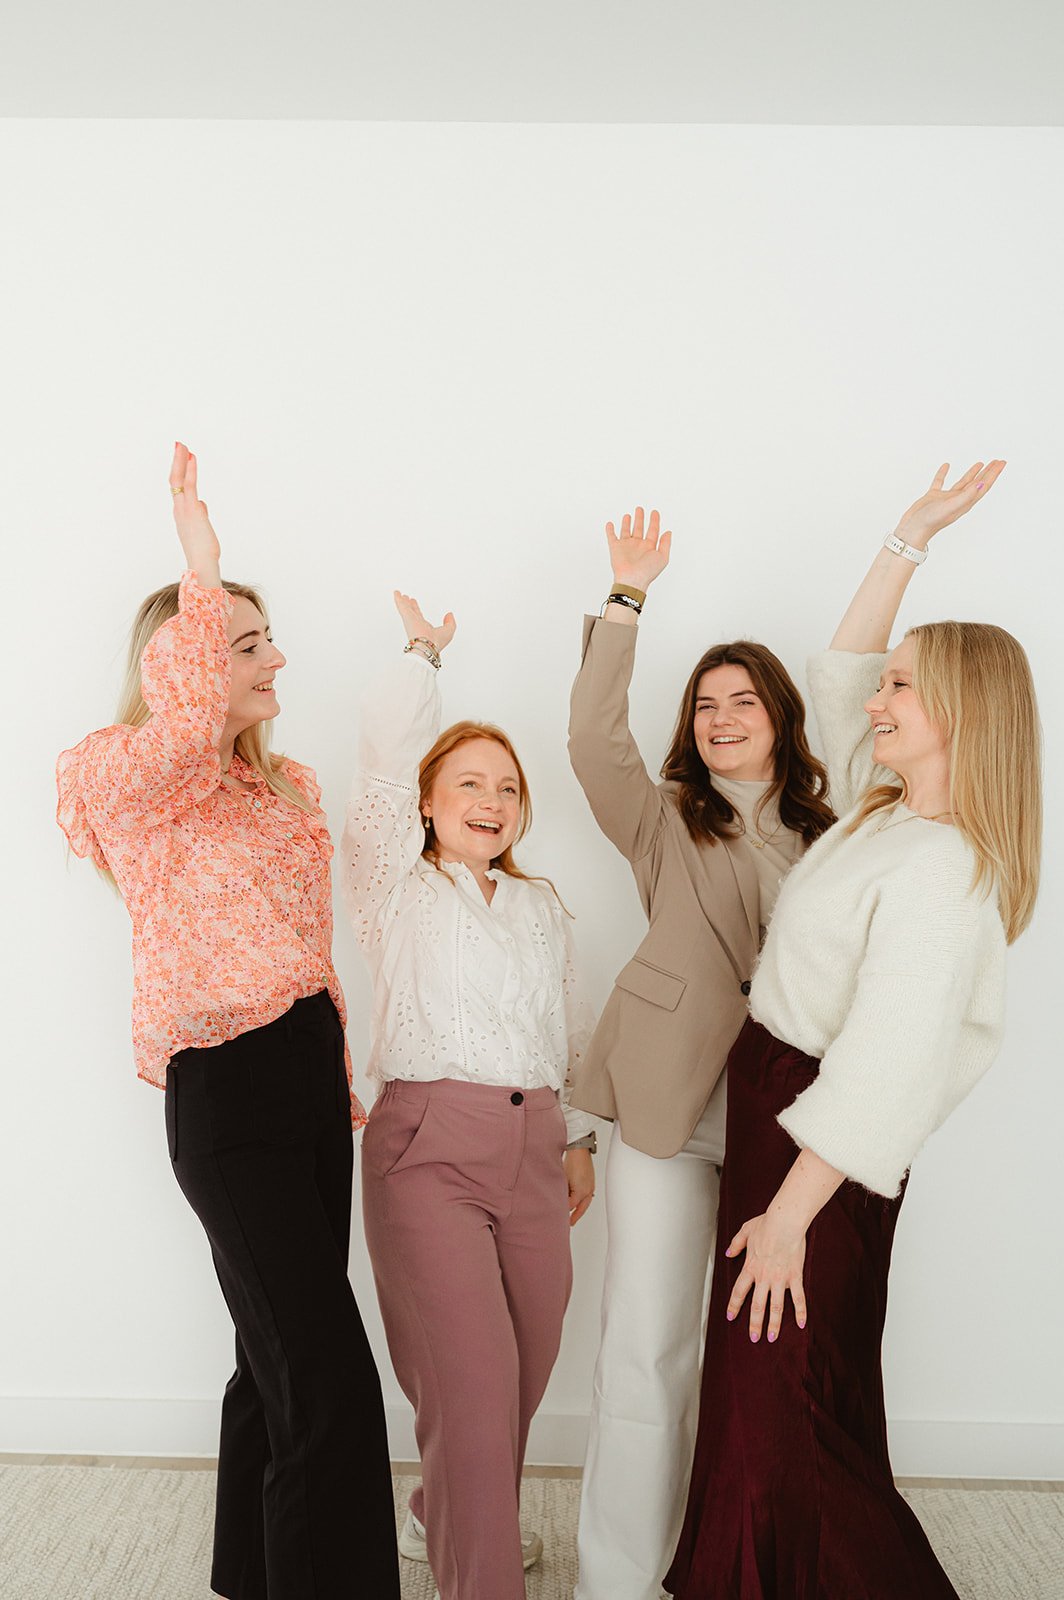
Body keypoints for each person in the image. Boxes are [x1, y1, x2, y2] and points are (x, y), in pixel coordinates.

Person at [666, 460, 1041, 1599]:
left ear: (959, 715)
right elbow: (835, 676)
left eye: (902, 691)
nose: (873, 704)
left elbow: (884, 1067)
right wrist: (906, 539)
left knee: (788, 1415)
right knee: (765, 1400)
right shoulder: (886, 811)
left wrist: (785, 1219)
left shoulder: (941, 868)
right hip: (781, 1107)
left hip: (814, 1147)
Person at [55, 444, 400, 1600]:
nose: (274, 656)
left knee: (274, 1367)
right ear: (185, 658)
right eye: (246, 641)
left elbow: (307, 948)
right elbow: (178, 725)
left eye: (263, 635)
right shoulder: (117, 778)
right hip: (229, 1092)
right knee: (329, 1377)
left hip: (306, 1076)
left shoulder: (283, 784)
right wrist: (203, 569)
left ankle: (249, 1578)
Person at [567, 509, 835, 1600]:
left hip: (790, 1132)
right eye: (705, 704)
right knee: (646, 1351)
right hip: (667, 1116)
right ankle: (617, 1582)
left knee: (763, 1369)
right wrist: (626, 598)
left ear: (780, 720)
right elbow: (591, 740)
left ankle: (734, 1561)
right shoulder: (662, 815)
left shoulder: (832, 833)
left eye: (743, 702)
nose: (722, 719)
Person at [342, 591, 598, 1600]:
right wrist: (421, 654)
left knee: (526, 1361)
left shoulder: (540, 906)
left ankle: (434, 1508)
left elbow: (562, 1032)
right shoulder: (393, 883)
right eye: (466, 782)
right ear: (426, 799)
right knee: (473, 1381)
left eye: (506, 786)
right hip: (426, 1148)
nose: (490, 799)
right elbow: (378, 766)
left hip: (534, 1149)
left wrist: (574, 1138)